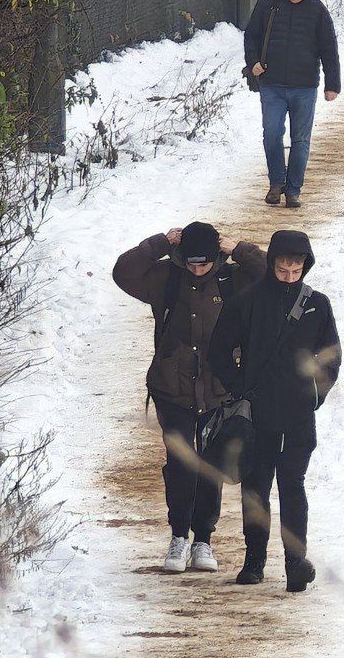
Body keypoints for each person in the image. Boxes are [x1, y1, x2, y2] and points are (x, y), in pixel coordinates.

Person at [112, 221, 265, 574]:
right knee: (181, 462)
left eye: (205, 263)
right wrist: (159, 243)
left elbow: (272, 275)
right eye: (192, 262)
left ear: (216, 257)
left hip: (219, 388)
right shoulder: (166, 277)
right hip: (171, 387)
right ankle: (178, 536)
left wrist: (238, 248)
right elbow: (123, 272)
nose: (198, 269)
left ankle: (203, 540)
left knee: (210, 464)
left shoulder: (234, 280)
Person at [209, 229, 342, 592]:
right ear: (271, 265)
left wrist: (315, 393)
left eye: (295, 270)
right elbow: (218, 350)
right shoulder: (247, 301)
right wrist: (238, 387)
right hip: (256, 415)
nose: (288, 275)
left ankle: (295, 562)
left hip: (298, 416)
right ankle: (254, 562)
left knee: (293, 487)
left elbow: (330, 356)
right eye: (282, 269)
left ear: (305, 266)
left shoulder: (318, 305)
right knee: (255, 489)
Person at [245, 0, 342, 210]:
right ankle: (276, 183)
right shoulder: (268, 4)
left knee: (300, 139)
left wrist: (332, 84)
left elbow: (329, 49)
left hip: (305, 87)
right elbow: (251, 36)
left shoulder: (318, 11)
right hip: (272, 85)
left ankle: (294, 189)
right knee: (272, 134)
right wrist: (253, 61)